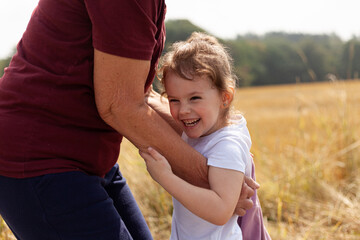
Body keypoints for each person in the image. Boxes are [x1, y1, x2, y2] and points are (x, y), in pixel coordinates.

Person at [0, 0, 258, 239]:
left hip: (91, 157)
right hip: (38, 158)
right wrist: (215, 181)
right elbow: (120, 105)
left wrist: (221, 156)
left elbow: (140, 94)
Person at [140, 32, 270, 239]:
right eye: (174, 100)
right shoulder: (204, 130)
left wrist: (165, 177)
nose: (183, 110)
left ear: (225, 97)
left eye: (194, 98)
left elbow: (220, 211)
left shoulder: (226, 146)